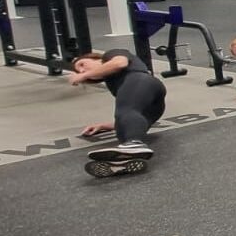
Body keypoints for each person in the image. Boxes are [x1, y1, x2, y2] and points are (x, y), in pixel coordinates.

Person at [70, 50, 166, 179]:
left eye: (82, 64)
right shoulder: (115, 83)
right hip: (154, 103)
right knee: (123, 131)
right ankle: (122, 162)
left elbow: (120, 63)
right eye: (79, 72)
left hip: (141, 79)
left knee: (126, 114)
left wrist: (84, 75)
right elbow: (133, 112)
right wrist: (106, 126)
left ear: (94, 57)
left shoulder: (110, 54)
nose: (82, 71)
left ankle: (134, 144)